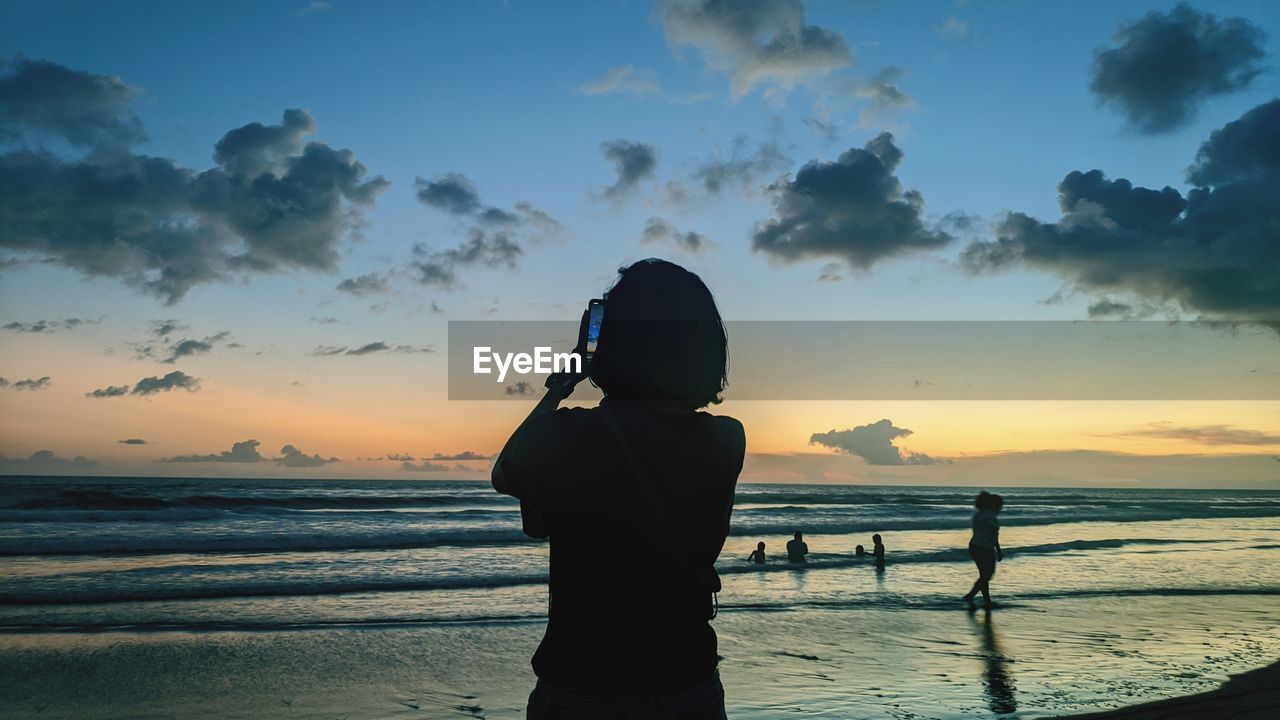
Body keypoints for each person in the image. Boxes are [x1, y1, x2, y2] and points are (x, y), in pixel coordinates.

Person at [492, 259, 744, 719]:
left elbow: (506, 472)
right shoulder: (727, 439)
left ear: (616, 343)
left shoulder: (575, 436)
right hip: (690, 686)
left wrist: (563, 383)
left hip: (582, 688)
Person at [963, 491, 1004, 609]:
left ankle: (986, 600)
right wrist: (999, 551)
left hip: (974, 546)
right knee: (987, 575)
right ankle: (970, 596)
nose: (1001, 508)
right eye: (1000, 505)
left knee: (983, 575)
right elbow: (993, 535)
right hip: (985, 548)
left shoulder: (978, 514)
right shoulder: (990, 516)